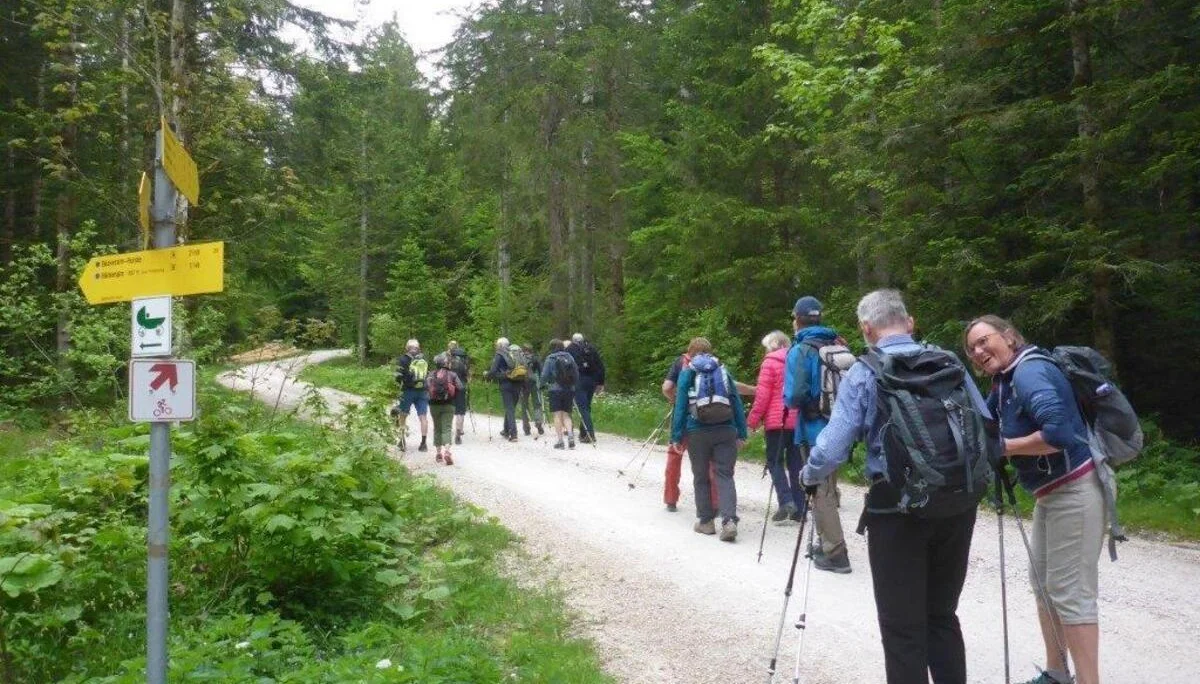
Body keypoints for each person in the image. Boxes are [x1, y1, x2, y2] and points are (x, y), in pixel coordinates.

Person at [801, 289, 991, 684]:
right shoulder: (949, 361)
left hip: (896, 511)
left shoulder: (866, 371)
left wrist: (809, 475)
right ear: (909, 322)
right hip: (958, 503)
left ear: (865, 329)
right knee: (942, 616)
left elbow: (833, 446)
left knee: (902, 627)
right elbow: (986, 422)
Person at [965, 315, 1105, 684]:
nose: (978, 351)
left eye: (984, 340)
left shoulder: (1029, 373)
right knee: (1044, 585)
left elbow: (1058, 433)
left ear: (1009, 337)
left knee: (1069, 593)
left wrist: (1005, 448)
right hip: (1051, 493)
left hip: (1075, 489)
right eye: (972, 348)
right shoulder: (1004, 382)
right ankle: (1057, 674)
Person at [783, 295, 851, 573]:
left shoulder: (800, 351)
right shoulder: (836, 345)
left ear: (797, 319)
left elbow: (795, 396)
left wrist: (789, 401)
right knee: (829, 485)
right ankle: (824, 543)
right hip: (841, 427)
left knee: (818, 487)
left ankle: (835, 552)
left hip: (814, 429)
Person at [669, 338, 749, 542]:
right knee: (725, 475)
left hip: (697, 432)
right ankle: (729, 521)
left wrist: (676, 436)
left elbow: (680, 407)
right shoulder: (723, 371)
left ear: (691, 353)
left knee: (701, 476)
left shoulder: (688, 373)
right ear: (710, 352)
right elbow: (736, 403)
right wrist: (741, 432)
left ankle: (705, 522)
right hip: (726, 430)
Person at [747, 330, 802, 524]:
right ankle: (799, 509)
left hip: (776, 421)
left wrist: (752, 421)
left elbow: (762, 397)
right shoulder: (798, 359)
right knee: (796, 464)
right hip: (797, 420)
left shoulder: (769, 363)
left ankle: (786, 501)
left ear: (772, 345)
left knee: (775, 461)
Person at [661, 339, 719, 513]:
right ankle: (714, 502)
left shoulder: (681, 363)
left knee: (674, 457)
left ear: (690, 350)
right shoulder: (714, 364)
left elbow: (667, 387)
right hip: (707, 418)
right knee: (710, 461)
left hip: (683, 418)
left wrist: (675, 400)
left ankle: (671, 499)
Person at [566, 332, 605, 443]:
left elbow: (566, 366)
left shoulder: (570, 349)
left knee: (583, 408)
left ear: (573, 340)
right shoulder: (591, 348)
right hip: (592, 381)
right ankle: (583, 434)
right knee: (587, 407)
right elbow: (600, 366)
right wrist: (600, 383)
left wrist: (567, 381)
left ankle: (590, 434)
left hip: (579, 381)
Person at [540, 338, 578, 449]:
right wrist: (573, 385)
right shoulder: (569, 357)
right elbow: (576, 372)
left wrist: (541, 385)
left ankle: (560, 441)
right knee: (566, 415)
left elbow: (544, 375)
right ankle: (570, 436)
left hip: (555, 389)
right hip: (569, 389)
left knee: (557, 415)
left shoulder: (550, 358)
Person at [394, 339, 431, 452]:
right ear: (418, 348)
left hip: (407, 391)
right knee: (423, 417)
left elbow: (398, 377)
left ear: (407, 348)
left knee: (403, 416)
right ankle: (423, 444)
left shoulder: (402, 360)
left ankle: (402, 441)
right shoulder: (423, 360)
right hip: (422, 391)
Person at [428, 353, 464, 465]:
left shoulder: (431, 374)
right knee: (447, 428)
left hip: (434, 405)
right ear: (446, 364)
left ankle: (438, 454)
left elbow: (426, 387)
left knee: (437, 427)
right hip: (449, 404)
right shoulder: (452, 374)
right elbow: (461, 387)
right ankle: (447, 452)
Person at [486, 337, 523, 442]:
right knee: (510, 408)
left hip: (506, 384)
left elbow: (493, 371)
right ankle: (506, 430)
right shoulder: (516, 353)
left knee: (509, 408)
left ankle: (513, 434)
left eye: (497, 344)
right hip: (518, 383)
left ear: (500, 345)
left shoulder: (500, 354)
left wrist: (487, 375)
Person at [516, 343, 545, 437]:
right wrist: (542, 383)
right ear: (531, 350)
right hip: (533, 382)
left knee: (524, 405)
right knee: (537, 403)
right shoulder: (535, 358)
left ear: (523, 350)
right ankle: (538, 422)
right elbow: (541, 370)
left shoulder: (518, 358)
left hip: (522, 383)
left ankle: (526, 428)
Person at [447, 340, 471, 444]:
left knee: (449, 409)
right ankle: (459, 431)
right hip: (461, 387)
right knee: (460, 412)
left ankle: (447, 429)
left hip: (450, 387)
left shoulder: (449, 361)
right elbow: (467, 376)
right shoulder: (465, 362)